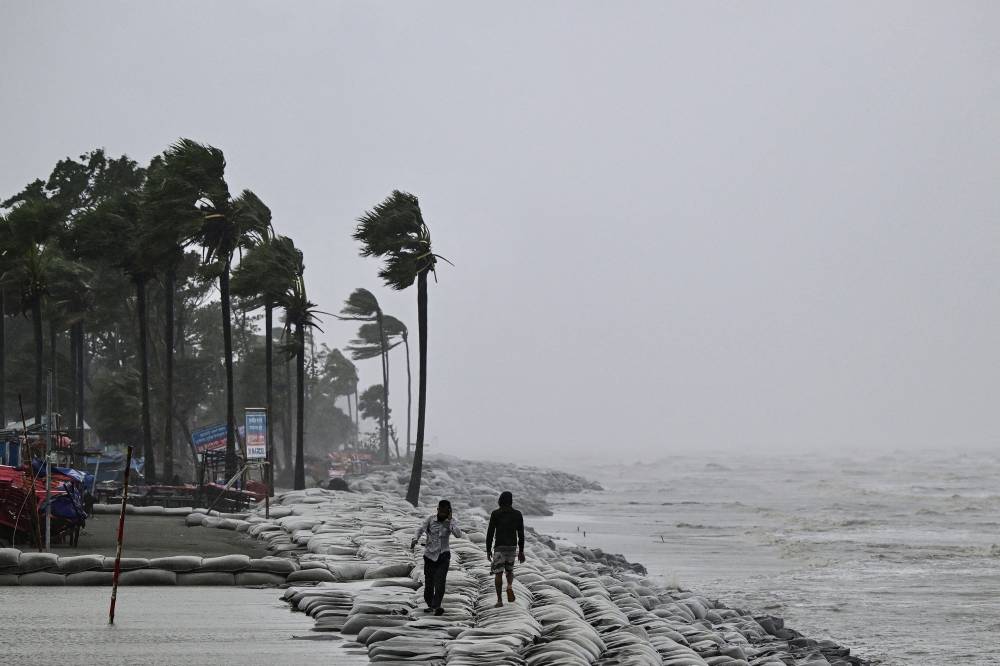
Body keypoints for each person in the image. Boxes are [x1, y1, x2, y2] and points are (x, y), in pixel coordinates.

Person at [411, 499, 462, 616]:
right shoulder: (430, 519)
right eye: (441, 512)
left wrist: (450, 521)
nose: (442, 515)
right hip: (429, 555)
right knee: (429, 583)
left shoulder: (451, 521)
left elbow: (458, 535)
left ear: (449, 512)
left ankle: (436, 606)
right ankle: (430, 605)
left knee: (440, 581)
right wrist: (415, 539)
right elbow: (420, 529)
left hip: (443, 555)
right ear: (438, 509)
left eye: (445, 513)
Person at [486, 490, 525, 608]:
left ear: (500, 501)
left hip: (500, 547)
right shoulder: (518, 514)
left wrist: (488, 549)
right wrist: (521, 551)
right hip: (512, 547)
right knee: (509, 570)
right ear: (511, 501)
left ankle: (499, 600)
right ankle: (509, 586)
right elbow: (521, 533)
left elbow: (490, 533)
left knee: (498, 573)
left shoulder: (496, 513)